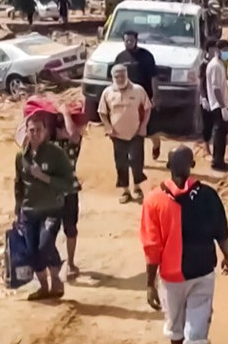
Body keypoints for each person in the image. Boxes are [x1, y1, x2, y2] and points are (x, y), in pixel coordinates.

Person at [142, 145, 228, 344]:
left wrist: (149, 282)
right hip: (202, 272)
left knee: (175, 327)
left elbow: (151, 246)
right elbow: (222, 231)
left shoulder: (154, 201)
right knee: (197, 334)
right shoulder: (207, 196)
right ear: (193, 164)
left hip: (171, 277)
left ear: (168, 166)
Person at [14, 114, 76, 301]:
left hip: (52, 209)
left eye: (38, 130)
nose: (35, 134)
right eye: (31, 130)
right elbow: (19, 184)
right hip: (29, 210)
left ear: (46, 131)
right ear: (27, 131)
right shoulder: (21, 156)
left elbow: (69, 184)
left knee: (45, 245)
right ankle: (43, 286)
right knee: (32, 252)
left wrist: (44, 177)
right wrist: (17, 210)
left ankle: (57, 279)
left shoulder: (57, 154)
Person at [98, 64, 152, 204]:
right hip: (117, 135)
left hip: (136, 133)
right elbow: (102, 113)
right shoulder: (107, 93)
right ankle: (125, 190)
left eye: (123, 75)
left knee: (136, 161)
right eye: (117, 76)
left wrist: (143, 127)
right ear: (113, 77)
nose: (120, 79)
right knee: (121, 163)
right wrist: (108, 128)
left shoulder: (138, 90)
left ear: (127, 75)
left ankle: (137, 188)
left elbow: (147, 108)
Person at [115, 31, 163, 160]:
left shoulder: (146, 56)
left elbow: (154, 77)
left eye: (131, 40)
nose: (128, 43)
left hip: (144, 98)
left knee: (149, 129)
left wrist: (156, 95)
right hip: (126, 99)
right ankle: (133, 156)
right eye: (126, 41)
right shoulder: (120, 58)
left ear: (136, 40)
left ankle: (156, 145)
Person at [52, 103, 85, 279]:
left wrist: (65, 113)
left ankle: (70, 263)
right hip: (52, 194)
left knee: (70, 229)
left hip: (68, 192)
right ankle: (55, 264)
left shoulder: (72, 145)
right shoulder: (48, 144)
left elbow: (74, 135)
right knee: (50, 231)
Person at [205, 39, 228, 172]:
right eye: (225, 51)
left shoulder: (219, 64)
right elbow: (216, 89)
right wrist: (223, 107)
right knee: (219, 134)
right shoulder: (215, 66)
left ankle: (220, 159)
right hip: (218, 105)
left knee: (222, 133)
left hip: (221, 104)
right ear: (218, 51)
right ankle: (217, 161)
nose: (227, 53)